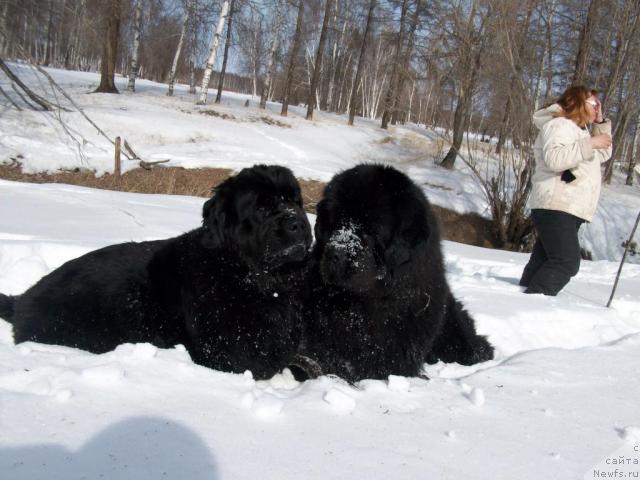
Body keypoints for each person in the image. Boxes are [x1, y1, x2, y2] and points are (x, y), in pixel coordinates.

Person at [519, 85, 613, 296]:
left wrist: (600, 125)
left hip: (568, 207)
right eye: (594, 103)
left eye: (599, 104)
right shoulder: (559, 125)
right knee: (566, 262)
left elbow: (603, 152)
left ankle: (520, 294)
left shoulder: (579, 131)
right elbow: (555, 159)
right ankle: (532, 303)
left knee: (544, 260)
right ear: (578, 102)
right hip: (556, 203)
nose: (598, 108)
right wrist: (590, 143)